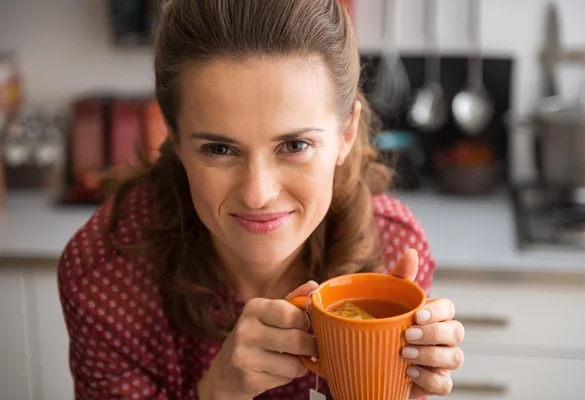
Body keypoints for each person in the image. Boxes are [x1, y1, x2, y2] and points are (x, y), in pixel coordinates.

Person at [57, 0, 464, 399]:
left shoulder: (391, 248)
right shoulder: (105, 274)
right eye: (219, 149)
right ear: (175, 140)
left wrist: (390, 387)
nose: (257, 194)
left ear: (346, 135)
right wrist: (218, 395)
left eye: (294, 144)